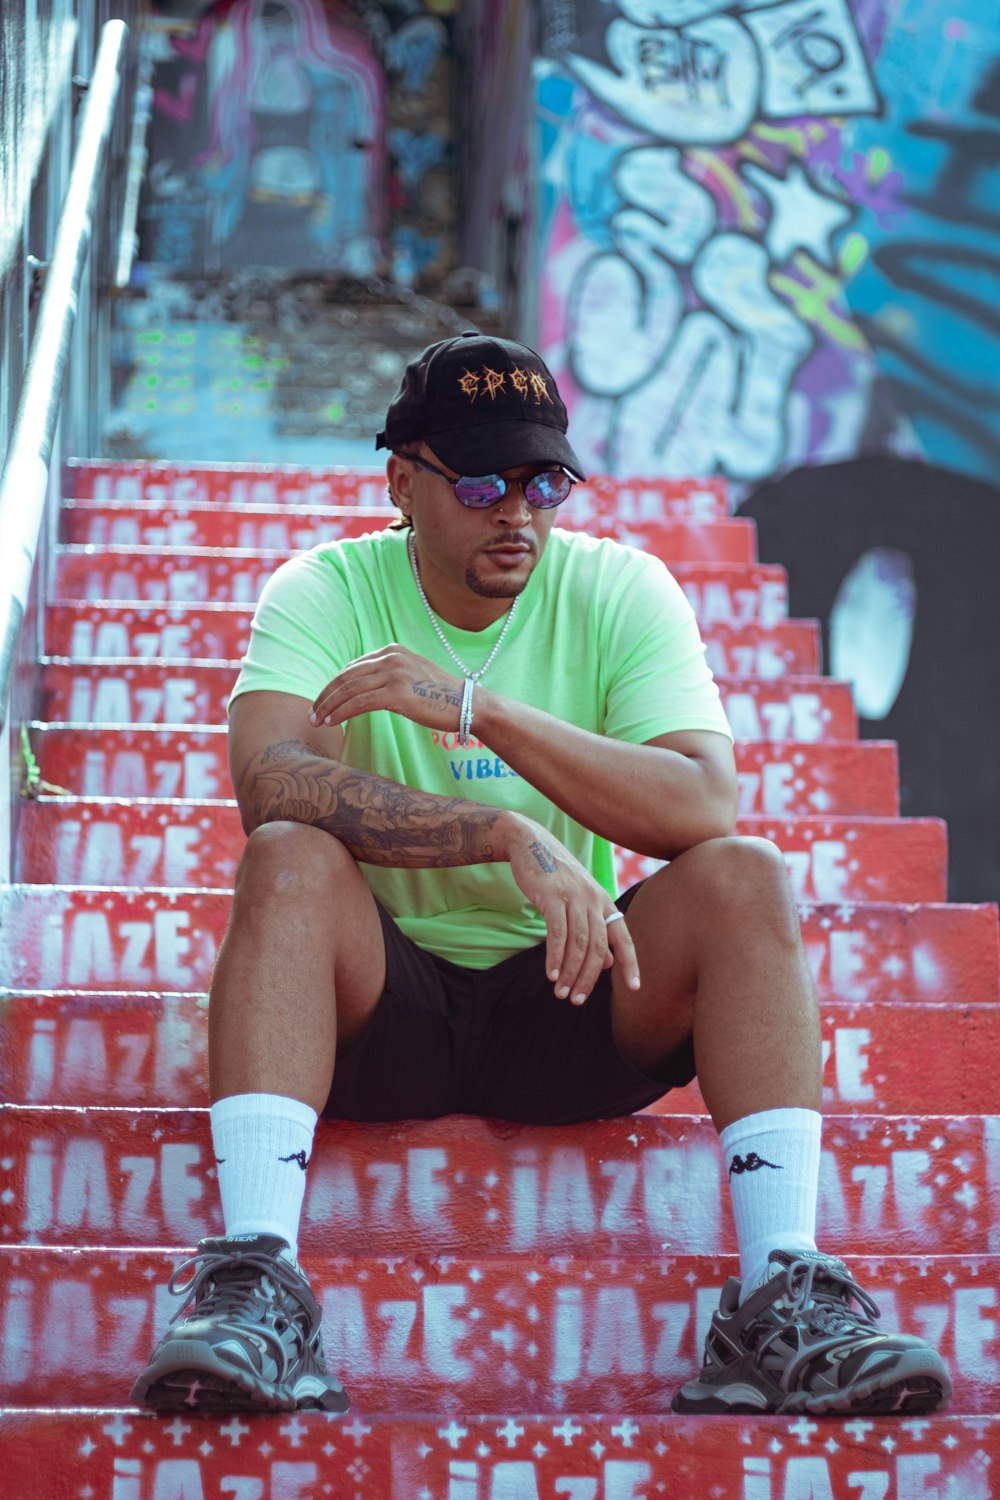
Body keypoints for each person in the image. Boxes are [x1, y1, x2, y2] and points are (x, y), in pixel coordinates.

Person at [131, 331, 951, 1417]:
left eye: (542, 480)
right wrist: (499, 832)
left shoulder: (618, 589)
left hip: (571, 992)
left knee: (743, 873)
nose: (514, 510)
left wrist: (480, 711)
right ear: (401, 482)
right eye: (477, 480)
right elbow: (270, 785)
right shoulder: (325, 590)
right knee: (288, 860)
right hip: (383, 1011)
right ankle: (253, 1282)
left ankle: (778, 1291)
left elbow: (702, 804)